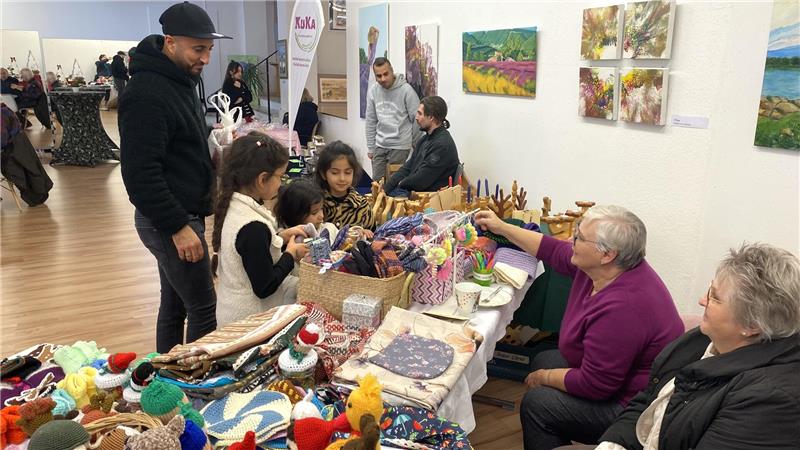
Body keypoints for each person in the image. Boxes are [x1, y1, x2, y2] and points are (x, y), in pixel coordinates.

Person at [474, 205, 684, 450]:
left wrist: (544, 378)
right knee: (545, 359)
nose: (570, 240)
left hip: (633, 407)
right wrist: (502, 227)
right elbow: (551, 249)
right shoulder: (605, 269)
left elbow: (597, 384)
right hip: (617, 380)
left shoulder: (624, 306)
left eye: (579, 238)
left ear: (607, 254)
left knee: (537, 403)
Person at [595, 243, 800, 450]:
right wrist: (613, 443)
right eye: (709, 290)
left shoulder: (769, 400)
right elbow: (648, 398)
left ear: (751, 325)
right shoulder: (700, 340)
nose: (702, 300)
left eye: (715, 297)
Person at [119, 1, 232, 353]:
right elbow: (140, 175)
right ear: (170, 43)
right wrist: (177, 227)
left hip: (183, 214)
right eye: (198, 48)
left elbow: (178, 147)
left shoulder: (181, 80)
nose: (206, 58)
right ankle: (194, 385)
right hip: (170, 220)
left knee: (175, 305)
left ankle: (164, 379)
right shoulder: (146, 93)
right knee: (203, 307)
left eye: (210, 49)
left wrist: (212, 147)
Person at [212, 133, 309, 327]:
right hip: (248, 323)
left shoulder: (235, 205)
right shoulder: (252, 226)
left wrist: (280, 238)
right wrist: (290, 254)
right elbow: (265, 286)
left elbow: (250, 251)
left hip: (232, 312)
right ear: (262, 179)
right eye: (280, 177)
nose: (281, 184)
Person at [383, 96, 459, 197]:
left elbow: (422, 180)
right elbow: (408, 167)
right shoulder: (425, 139)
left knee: (390, 198)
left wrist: (400, 183)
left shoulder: (442, 145)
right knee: (384, 193)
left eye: (420, 114)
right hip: (414, 190)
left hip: (429, 197)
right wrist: (386, 188)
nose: (416, 117)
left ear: (431, 117)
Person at [365, 57, 420, 182]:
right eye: (379, 76)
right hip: (380, 145)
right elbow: (370, 121)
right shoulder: (373, 91)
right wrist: (370, 147)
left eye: (386, 74)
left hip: (400, 146)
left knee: (394, 184)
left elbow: (417, 119)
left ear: (392, 71)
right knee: (377, 184)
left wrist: (415, 143)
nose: (383, 79)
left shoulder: (406, 90)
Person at [314, 141, 375, 230]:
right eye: (335, 173)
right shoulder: (316, 204)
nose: (342, 178)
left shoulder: (361, 205)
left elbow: (372, 236)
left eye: (348, 172)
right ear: (323, 174)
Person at [274, 179, 338, 240]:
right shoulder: (281, 237)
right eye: (314, 213)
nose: (321, 216)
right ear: (295, 214)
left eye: (321, 209)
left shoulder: (328, 229)